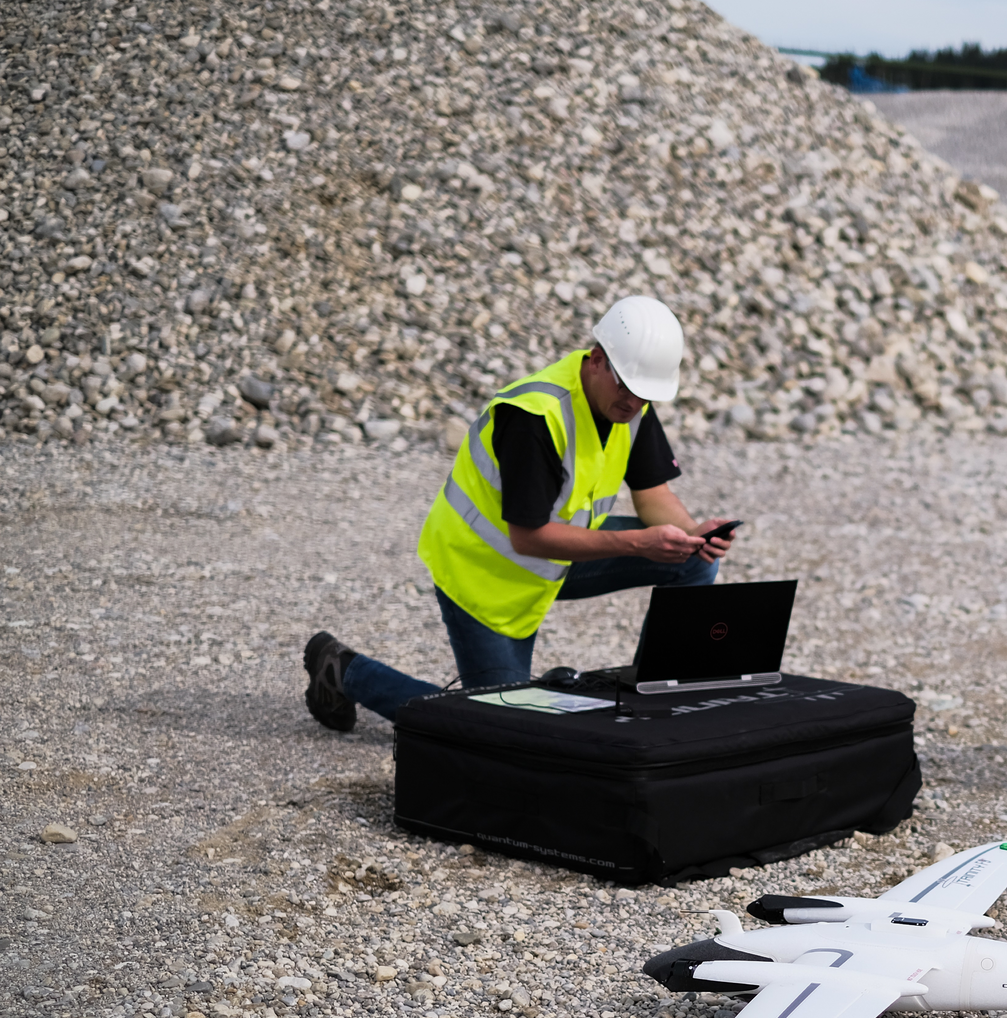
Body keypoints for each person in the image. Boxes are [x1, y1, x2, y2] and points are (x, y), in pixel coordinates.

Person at [301, 296, 736, 731]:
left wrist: (693, 532)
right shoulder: (535, 417)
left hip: (555, 557)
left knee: (693, 564)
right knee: (503, 732)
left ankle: (647, 707)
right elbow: (527, 537)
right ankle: (344, 670)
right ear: (597, 360)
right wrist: (638, 544)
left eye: (644, 394)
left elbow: (651, 493)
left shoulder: (630, 404)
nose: (634, 402)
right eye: (627, 387)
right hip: (484, 571)